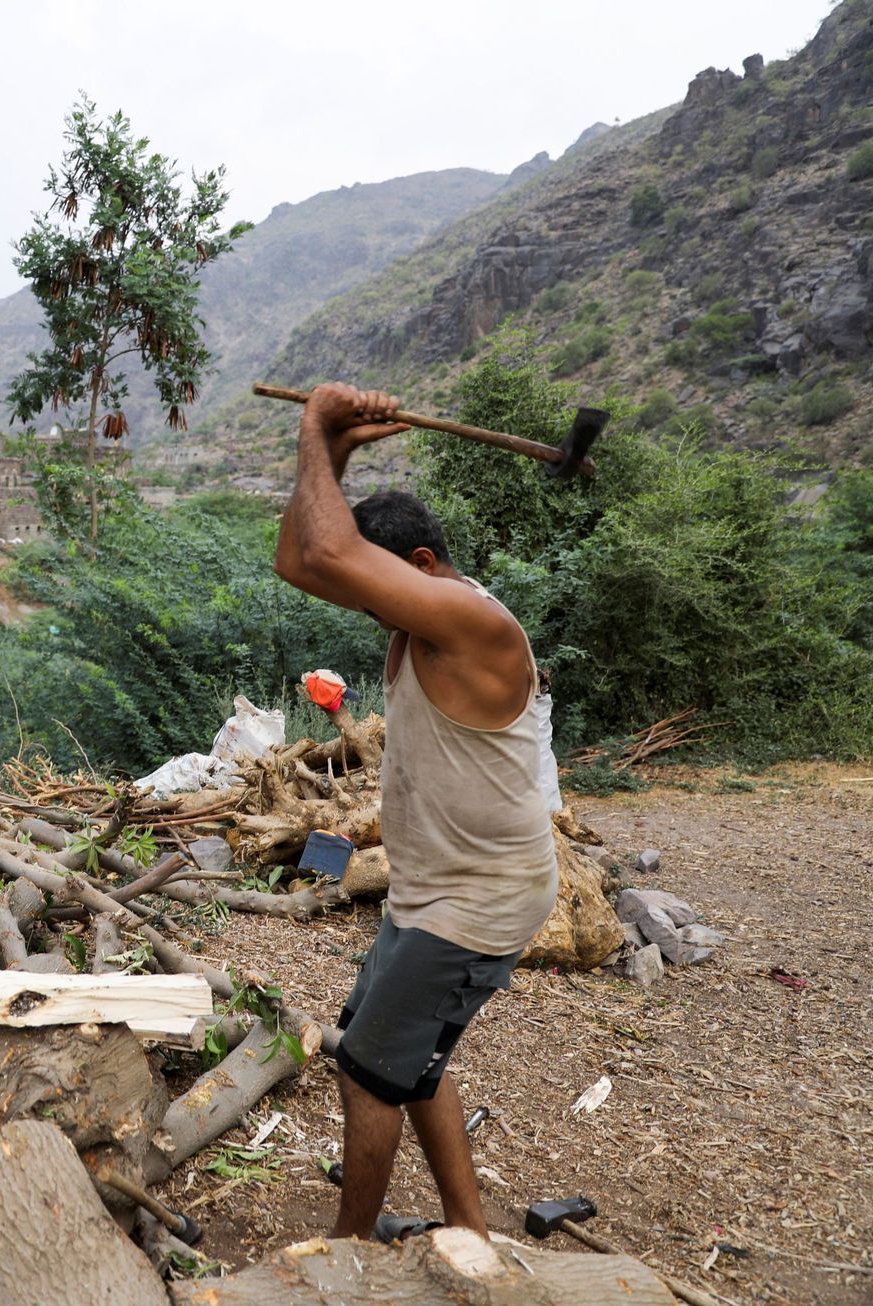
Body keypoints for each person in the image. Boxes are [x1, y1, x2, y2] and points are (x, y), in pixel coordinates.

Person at [272, 383, 556, 1243]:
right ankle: (465, 1227)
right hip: (435, 891)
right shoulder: (420, 621)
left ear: (423, 567)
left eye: (378, 588)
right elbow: (301, 559)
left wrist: (315, 422)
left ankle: (347, 1254)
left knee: (365, 1072)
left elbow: (327, 548)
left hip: (479, 899)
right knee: (405, 1058)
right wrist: (339, 448)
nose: (365, 606)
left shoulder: (470, 623)